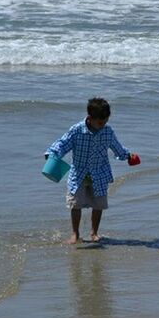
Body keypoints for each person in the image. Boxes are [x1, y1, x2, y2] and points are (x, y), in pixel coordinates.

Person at [46, 98, 139, 244]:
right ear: (90, 118)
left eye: (106, 121)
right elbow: (62, 143)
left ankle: (94, 232)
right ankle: (75, 234)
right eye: (100, 123)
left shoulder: (107, 132)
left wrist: (127, 155)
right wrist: (52, 154)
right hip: (79, 174)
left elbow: (117, 147)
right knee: (75, 204)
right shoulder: (77, 130)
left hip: (99, 173)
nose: (103, 125)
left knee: (98, 205)